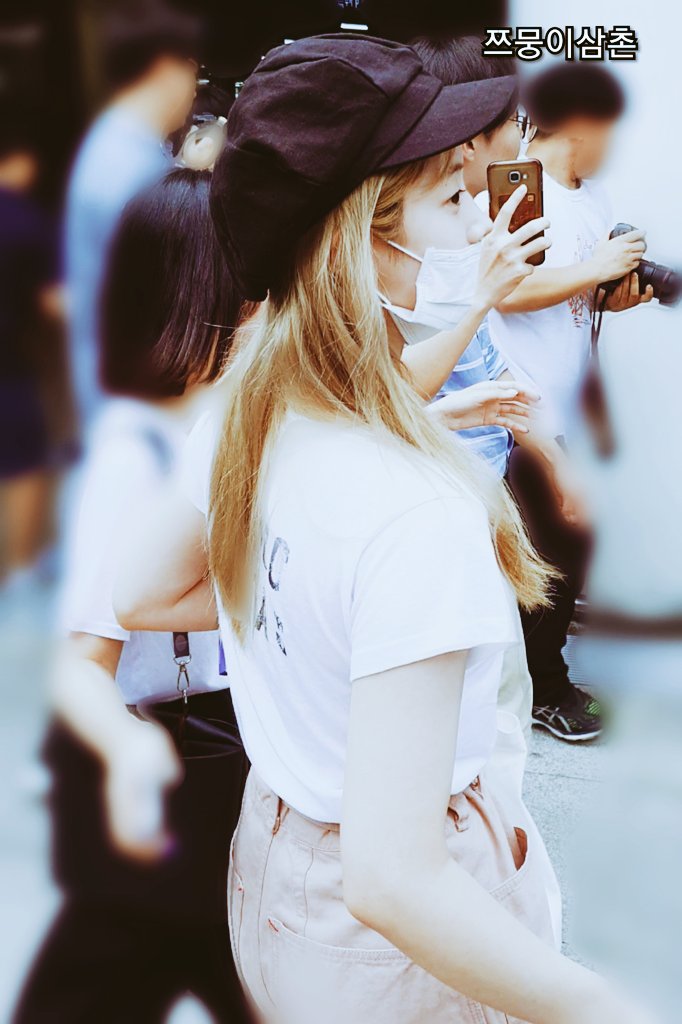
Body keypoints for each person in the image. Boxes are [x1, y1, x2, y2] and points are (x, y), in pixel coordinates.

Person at [114, 36, 654, 1024]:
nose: (482, 218)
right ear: (362, 239)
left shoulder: (249, 413)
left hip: (275, 879)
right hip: (392, 956)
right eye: (452, 197)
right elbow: (395, 882)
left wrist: (323, 608)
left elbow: (145, 593)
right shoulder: (414, 509)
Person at [13, 169, 252, 1024]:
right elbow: (81, 661)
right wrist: (129, 754)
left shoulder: (213, 432)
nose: (270, 311)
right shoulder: (136, 454)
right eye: (253, 290)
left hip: (207, 754)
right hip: (166, 758)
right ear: (202, 300)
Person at [479, 63, 653, 741]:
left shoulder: (594, 196)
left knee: (569, 550)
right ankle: (542, 689)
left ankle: (540, 681)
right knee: (546, 556)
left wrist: (615, 292)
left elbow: (574, 293)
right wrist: (596, 269)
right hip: (524, 411)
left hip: (570, 404)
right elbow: (507, 291)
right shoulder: (520, 185)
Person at [64, 0, 201, 435]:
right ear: (165, 68)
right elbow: (162, 300)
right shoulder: (131, 168)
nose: (194, 89)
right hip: (135, 398)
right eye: (193, 70)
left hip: (116, 383)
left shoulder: (119, 144)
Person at [0, 112, 62, 604]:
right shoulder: (24, 219)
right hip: (11, 368)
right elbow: (54, 302)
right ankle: (20, 569)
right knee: (23, 466)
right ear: (20, 161)